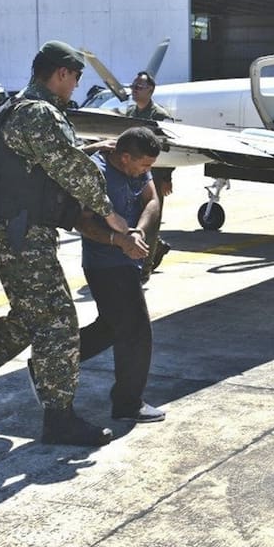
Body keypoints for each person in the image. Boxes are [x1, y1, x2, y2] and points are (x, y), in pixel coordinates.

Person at [0, 41, 131, 447]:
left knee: (28, 319)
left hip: (15, 227)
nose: (76, 84)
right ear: (61, 73)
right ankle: (59, 418)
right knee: (58, 321)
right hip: (20, 231)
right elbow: (66, 167)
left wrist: (88, 149)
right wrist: (109, 212)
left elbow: (40, 159)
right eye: (76, 76)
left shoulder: (17, 107)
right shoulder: (37, 112)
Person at [73, 127, 166, 422]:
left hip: (130, 259)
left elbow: (152, 200)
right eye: (144, 165)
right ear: (125, 157)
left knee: (111, 327)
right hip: (105, 264)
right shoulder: (96, 172)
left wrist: (138, 231)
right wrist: (118, 240)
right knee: (137, 331)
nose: (146, 170)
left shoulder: (138, 165)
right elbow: (82, 222)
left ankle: (50, 361)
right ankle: (127, 403)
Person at [124, 71, 173, 280]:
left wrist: (167, 177)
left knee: (151, 219)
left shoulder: (160, 116)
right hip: (132, 173)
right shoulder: (130, 112)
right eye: (133, 86)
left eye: (139, 87)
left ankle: (144, 268)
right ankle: (157, 247)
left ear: (151, 90)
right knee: (133, 217)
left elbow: (170, 147)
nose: (134, 90)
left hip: (155, 174)